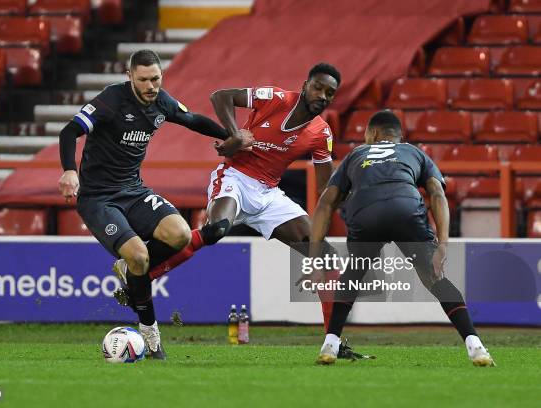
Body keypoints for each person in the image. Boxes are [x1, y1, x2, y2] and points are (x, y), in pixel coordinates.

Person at [143, 62, 369, 360]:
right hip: (235, 178)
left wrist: (350, 200)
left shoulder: (321, 132)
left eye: (330, 93)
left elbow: (326, 187)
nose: (323, 96)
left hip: (268, 194)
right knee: (218, 229)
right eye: (318, 87)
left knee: (325, 256)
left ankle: (334, 343)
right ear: (305, 85)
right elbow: (220, 96)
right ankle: (146, 273)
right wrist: (235, 134)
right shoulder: (274, 98)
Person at [58, 49, 250, 360]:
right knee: (139, 255)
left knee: (181, 235)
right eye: (144, 79)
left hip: (133, 190)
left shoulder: (162, 101)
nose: (151, 86)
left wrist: (231, 135)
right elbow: (70, 131)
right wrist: (69, 169)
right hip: (98, 197)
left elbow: (192, 119)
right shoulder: (111, 100)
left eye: (156, 79)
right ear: (129, 76)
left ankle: (131, 272)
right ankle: (151, 336)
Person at [310, 110, 495, 367]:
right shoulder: (415, 152)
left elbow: (326, 202)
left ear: (373, 133)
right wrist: (442, 244)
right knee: (435, 279)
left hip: (365, 212)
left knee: (352, 275)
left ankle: (330, 344)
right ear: (399, 136)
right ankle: (476, 347)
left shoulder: (356, 154)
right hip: (406, 208)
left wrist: (314, 251)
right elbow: (437, 194)